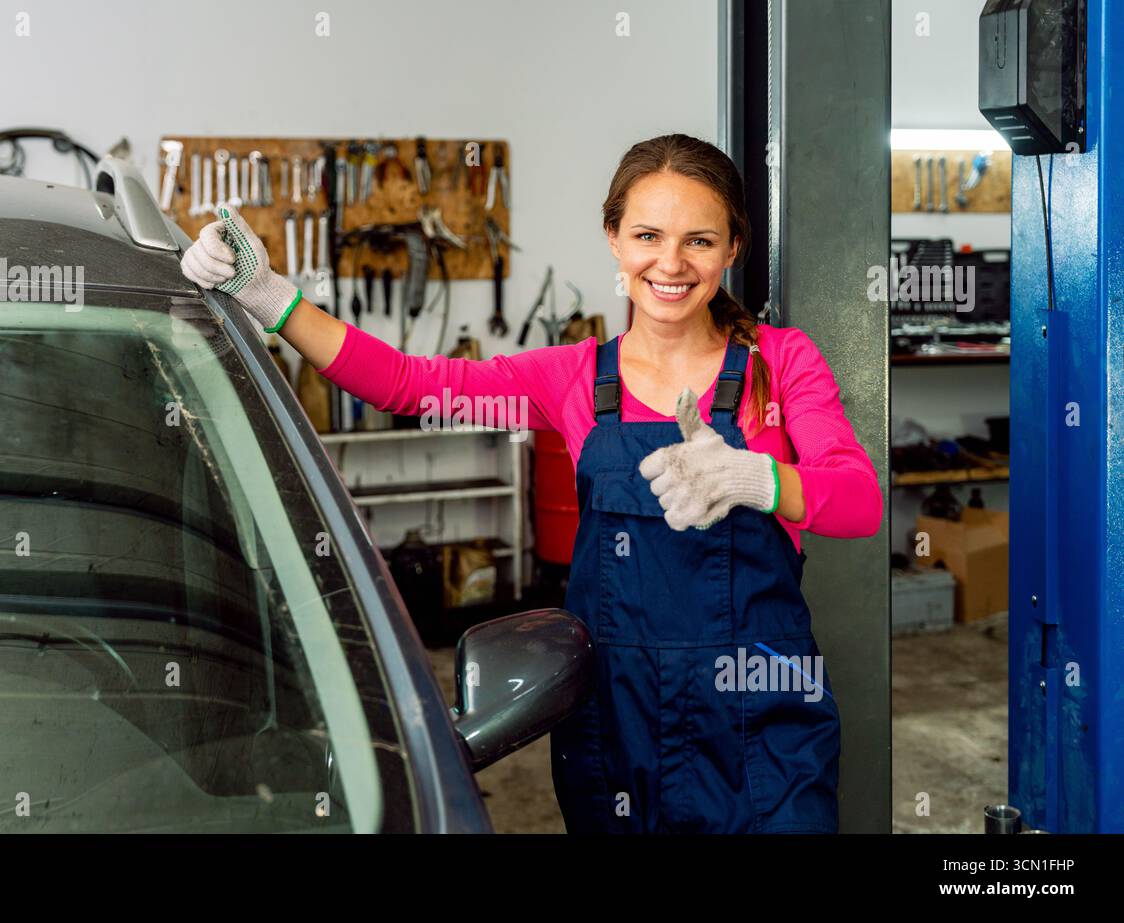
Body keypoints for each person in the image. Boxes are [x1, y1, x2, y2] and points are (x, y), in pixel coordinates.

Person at [180, 133, 882, 833]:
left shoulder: (780, 364)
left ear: (733, 248)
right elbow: (408, 386)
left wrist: (756, 477)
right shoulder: (571, 377)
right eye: (646, 235)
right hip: (618, 717)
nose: (670, 263)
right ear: (613, 239)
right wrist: (264, 292)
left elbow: (858, 502)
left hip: (761, 718)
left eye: (699, 240)